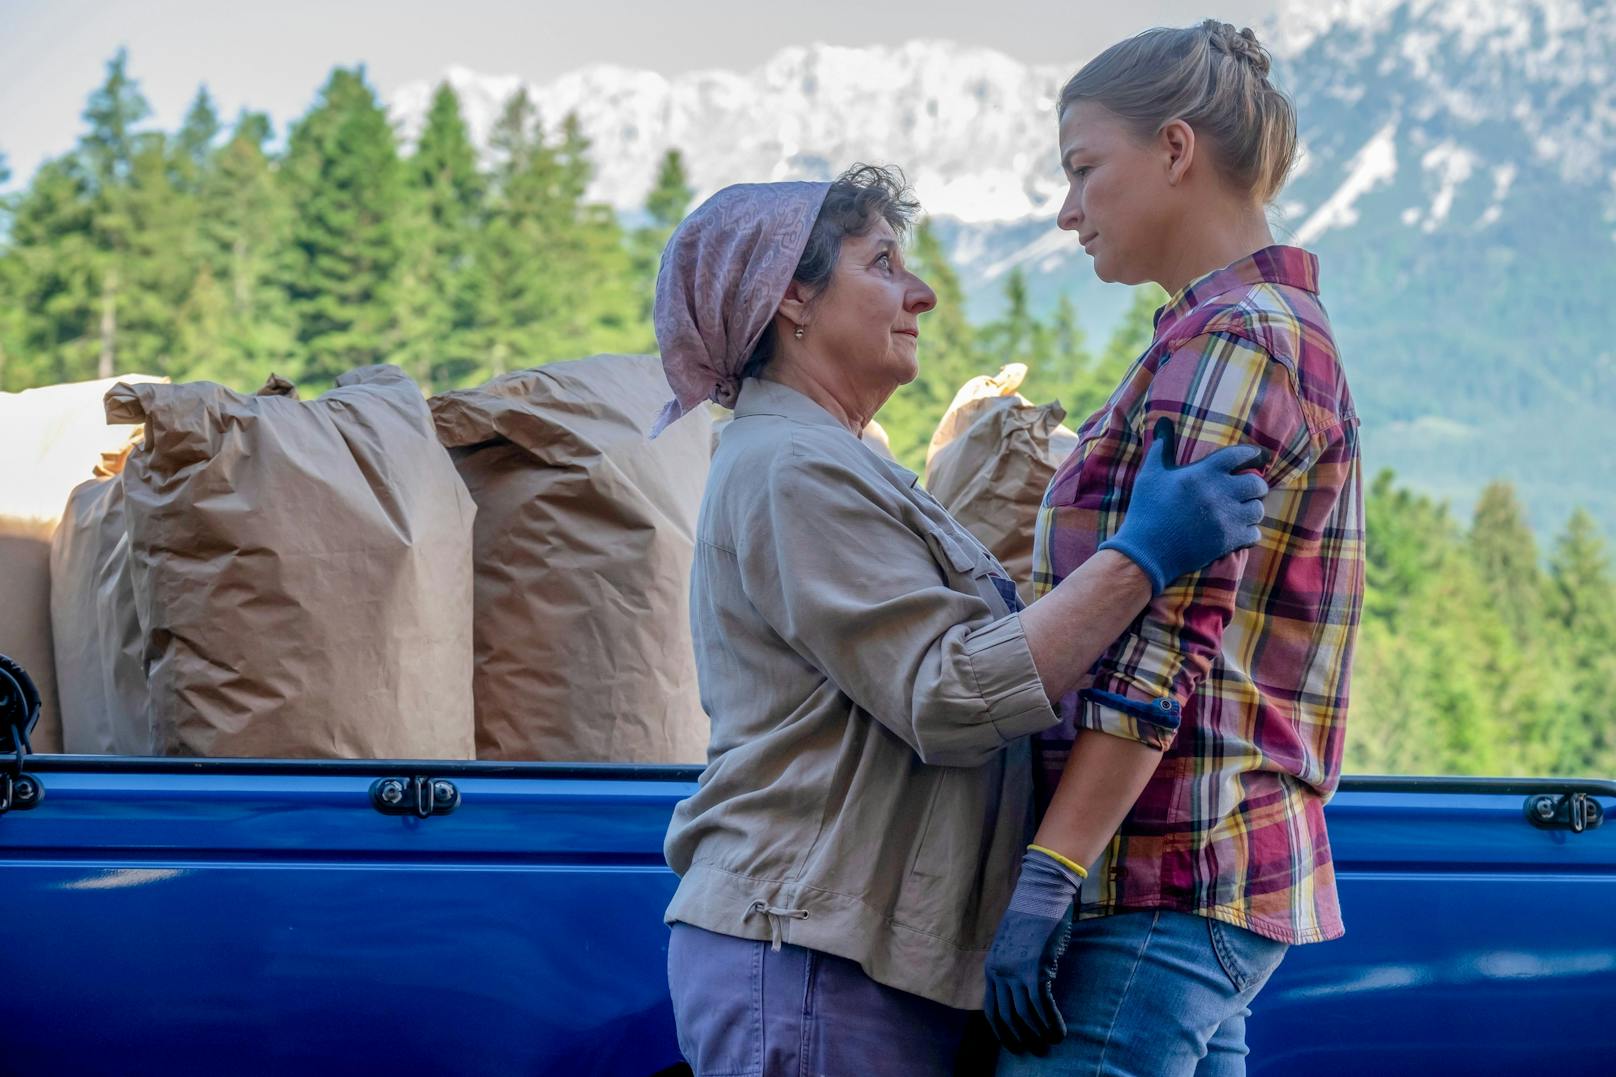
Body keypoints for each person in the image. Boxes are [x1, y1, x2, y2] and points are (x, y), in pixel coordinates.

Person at [653, 165, 1272, 1076]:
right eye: (883, 264)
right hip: (810, 959)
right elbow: (948, 692)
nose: (922, 293)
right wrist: (1142, 556)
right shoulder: (793, 470)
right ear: (792, 297)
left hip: (857, 959)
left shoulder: (843, 463)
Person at [983, 21, 1365, 1075]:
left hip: (1160, 873)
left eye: (1081, 168)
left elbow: (1164, 639)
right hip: (1199, 876)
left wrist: (1049, 873)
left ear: (1174, 149)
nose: (1065, 212)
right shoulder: (1251, 330)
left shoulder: (1235, 341)